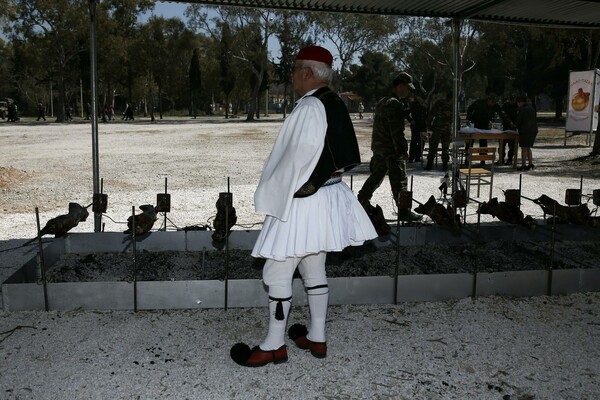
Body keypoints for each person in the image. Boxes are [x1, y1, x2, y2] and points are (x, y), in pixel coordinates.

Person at [230, 46, 377, 368]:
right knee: (313, 268)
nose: (293, 76)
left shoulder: (310, 106)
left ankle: (272, 345)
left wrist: (276, 194)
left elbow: (296, 160)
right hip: (329, 196)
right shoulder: (333, 102)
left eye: (296, 70)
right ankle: (317, 338)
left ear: (308, 73)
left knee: (275, 271)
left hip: (304, 201)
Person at [357, 72, 422, 222]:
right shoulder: (395, 104)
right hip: (391, 150)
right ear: (399, 86)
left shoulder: (382, 101)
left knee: (376, 176)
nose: (409, 91)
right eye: (407, 87)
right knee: (400, 179)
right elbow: (396, 132)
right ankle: (404, 212)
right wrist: (402, 151)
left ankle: (362, 200)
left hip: (379, 148)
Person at [466, 94, 504, 164]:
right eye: (491, 102)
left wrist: (510, 123)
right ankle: (467, 159)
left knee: (483, 142)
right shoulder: (479, 102)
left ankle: (482, 159)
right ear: (489, 100)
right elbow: (470, 109)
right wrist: (468, 119)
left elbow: (502, 114)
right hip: (476, 122)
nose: (492, 104)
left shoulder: (495, 105)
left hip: (485, 124)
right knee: (470, 140)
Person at [424, 92, 453, 171]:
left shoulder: (439, 103)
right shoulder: (453, 105)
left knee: (433, 147)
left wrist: (429, 126)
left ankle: (429, 165)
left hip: (437, 128)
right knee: (445, 148)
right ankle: (445, 165)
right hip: (447, 129)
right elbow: (457, 118)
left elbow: (431, 114)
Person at [515, 95, 538, 171]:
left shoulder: (522, 109)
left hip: (525, 130)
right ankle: (530, 163)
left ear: (520, 102)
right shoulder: (531, 108)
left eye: (518, 102)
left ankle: (523, 165)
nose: (517, 104)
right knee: (528, 148)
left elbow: (519, 120)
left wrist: (515, 126)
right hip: (533, 130)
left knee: (524, 148)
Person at [407, 93, 427, 163]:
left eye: (425, 99)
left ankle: (418, 157)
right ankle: (411, 157)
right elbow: (406, 113)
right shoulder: (413, 104)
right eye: (422, 99)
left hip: (424, 126)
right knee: (414, 142)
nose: (423, 100)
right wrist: (410, 120)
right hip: (415, 126)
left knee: (423, 141)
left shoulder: (426, 105)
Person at [500, 95, 518, 164]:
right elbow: (502, 115)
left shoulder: (516, 106)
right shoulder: (505, 106)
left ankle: (510, 159)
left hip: (512, 128)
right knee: (502, 145)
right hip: (505, 127)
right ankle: (501, 159)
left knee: (511, 146)